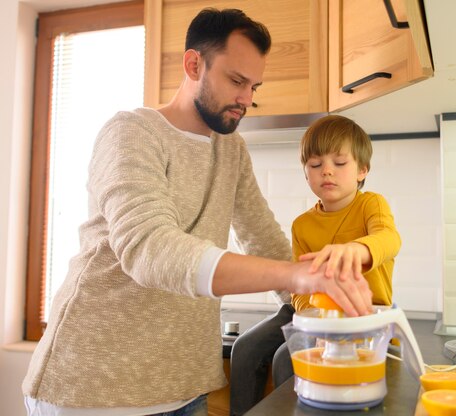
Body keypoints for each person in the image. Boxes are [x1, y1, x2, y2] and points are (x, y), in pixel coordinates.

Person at [22, 9, 372, 416]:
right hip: (94, 387)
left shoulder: (231, 150)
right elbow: (149, 249)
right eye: (237, 80)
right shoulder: (131, 133)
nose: (247, 99)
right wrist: (296, 275)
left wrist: (322, 312)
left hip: (186, 387)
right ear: (193, 64)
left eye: (254, 85)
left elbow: (263, 236)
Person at [229, 114, 401, 415]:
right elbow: (297, 290)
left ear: (362, 170)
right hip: (311, 310)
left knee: (287, 358)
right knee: (245, 348)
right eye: (316, 165)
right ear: (306, 172)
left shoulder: (371, 204)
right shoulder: (302, 225)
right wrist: (312, 316)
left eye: (339, 163)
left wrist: (356, 250)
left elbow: (389, 239)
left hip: (362, 312)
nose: (327, 172)